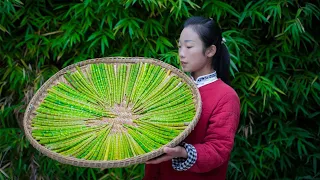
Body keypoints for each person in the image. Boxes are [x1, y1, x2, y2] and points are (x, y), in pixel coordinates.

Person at [143, 16, 241, 180]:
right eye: (180, 46)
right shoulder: (173, 88)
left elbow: (218, 149)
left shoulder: (226, 96)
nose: (181, 54)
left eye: (189, 46)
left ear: (210, 50)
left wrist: (182, 152)